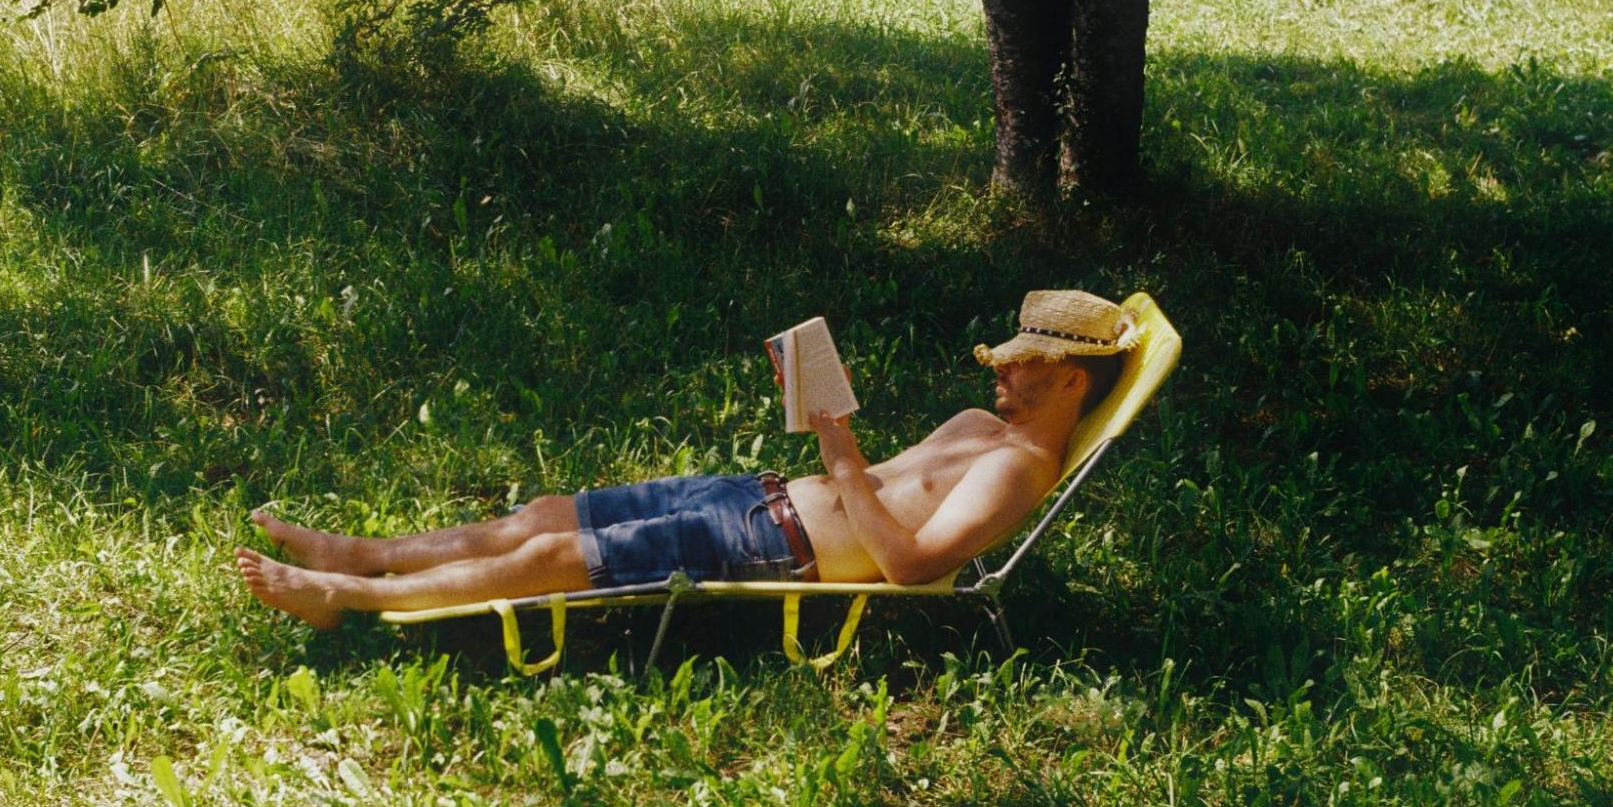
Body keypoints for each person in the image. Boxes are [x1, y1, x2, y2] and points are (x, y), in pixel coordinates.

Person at [234, 289, 1135, 628]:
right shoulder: (978, 423)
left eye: (1029, 369)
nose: (1007, 379)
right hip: (757, 497)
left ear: (1072, 386)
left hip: (775, 542)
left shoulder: (1019, 469)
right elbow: (878, 489)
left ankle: (344, 594)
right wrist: (833, 445)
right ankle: (362, 551)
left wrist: (839, 442)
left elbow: (907, 564)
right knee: (546, 514)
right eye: (1011, 364)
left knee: (553, 561)